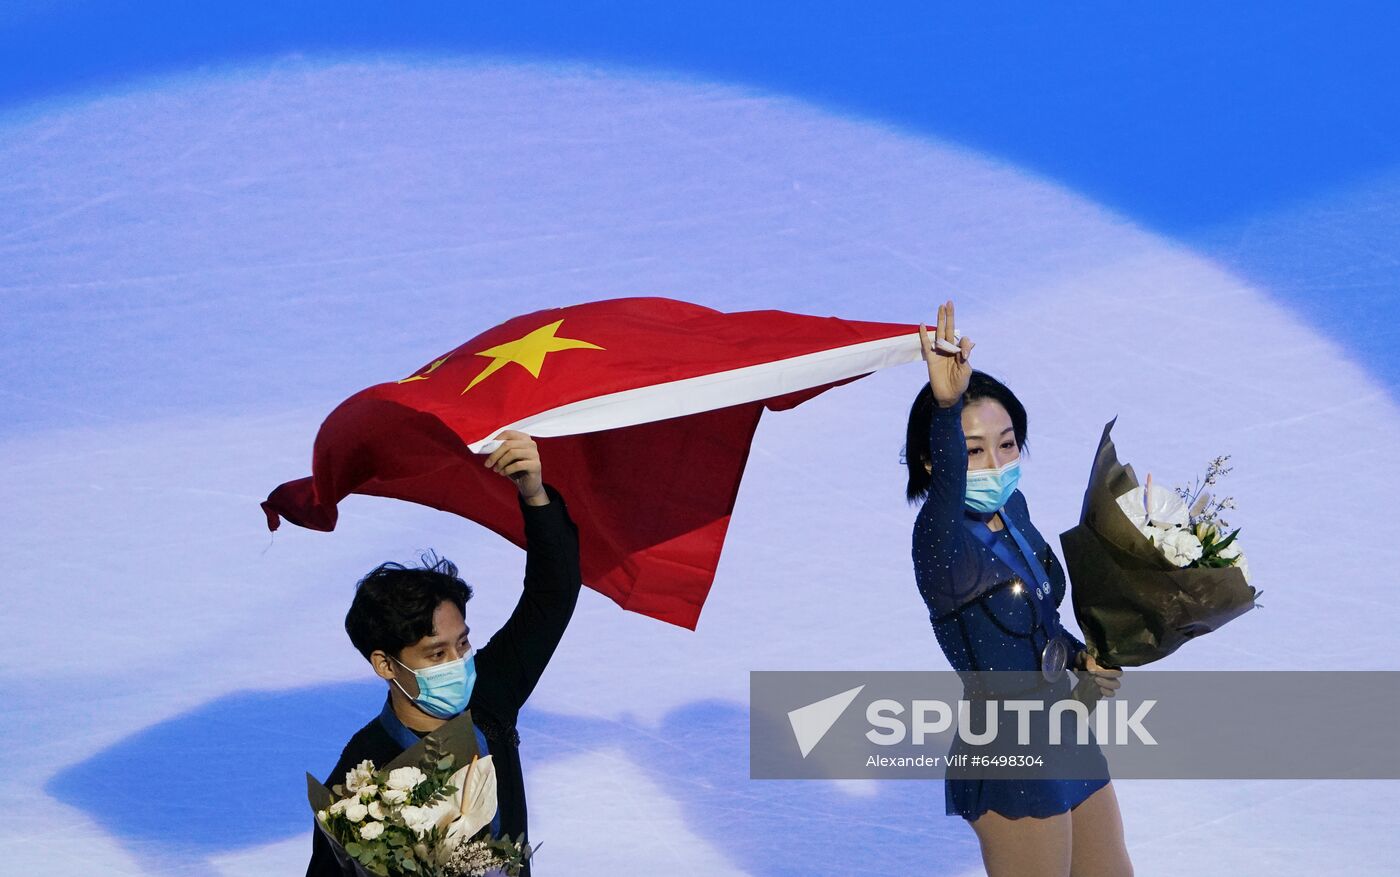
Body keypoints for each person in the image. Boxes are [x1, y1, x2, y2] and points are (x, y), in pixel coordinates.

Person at [908, 300, 1133, 877]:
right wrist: (945, 405)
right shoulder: (939, 543)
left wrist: (1082, 657)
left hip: (1061, 722)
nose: (997, 462)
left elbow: (1037, 616)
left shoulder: (1014, 510)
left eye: (1006, 444)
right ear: (936, 462)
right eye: (973, 449)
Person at [306, 430, 580, 877]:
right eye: (435, 654)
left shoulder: (490, 698)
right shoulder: (360, 776)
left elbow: (554, 595)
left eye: (463, 643)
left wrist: (534, 494)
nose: (457, 663)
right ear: (384, 664)